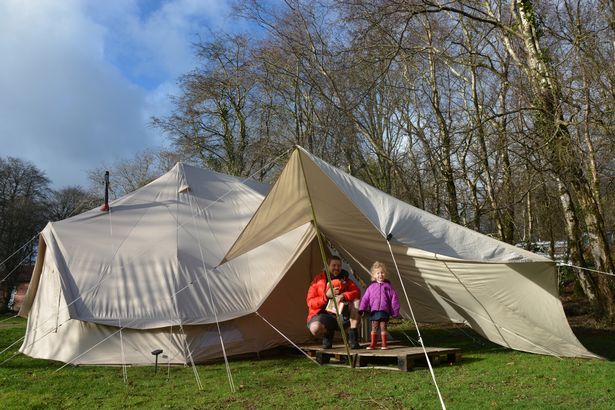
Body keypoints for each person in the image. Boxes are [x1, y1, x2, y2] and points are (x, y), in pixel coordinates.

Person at [306, 255, 361, 349]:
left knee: (357, 302)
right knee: (315, 328)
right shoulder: (318, 280)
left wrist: (344, 296)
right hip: (324, 316)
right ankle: (328, 333)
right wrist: (326, 296)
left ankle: (353, 339)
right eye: (334, 265)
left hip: (342, 315)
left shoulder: (345, 279)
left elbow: (357, 292)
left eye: (339, 266)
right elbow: (310, 302)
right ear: (327, 266)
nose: (337, 268)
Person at [359, 261, 400, 350]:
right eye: (378, 273)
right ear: (374, 275)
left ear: (385, 274)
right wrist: (362, 308)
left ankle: (384, 344)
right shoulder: (371, 287)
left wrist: (395, 312)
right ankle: (373, 344)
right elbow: (365, 298)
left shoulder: (388, 286)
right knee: (374, 326)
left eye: (382, 272)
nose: (380, 275)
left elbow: (394, 299)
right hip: (374, 311)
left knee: (383, 326)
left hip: (384, 310)